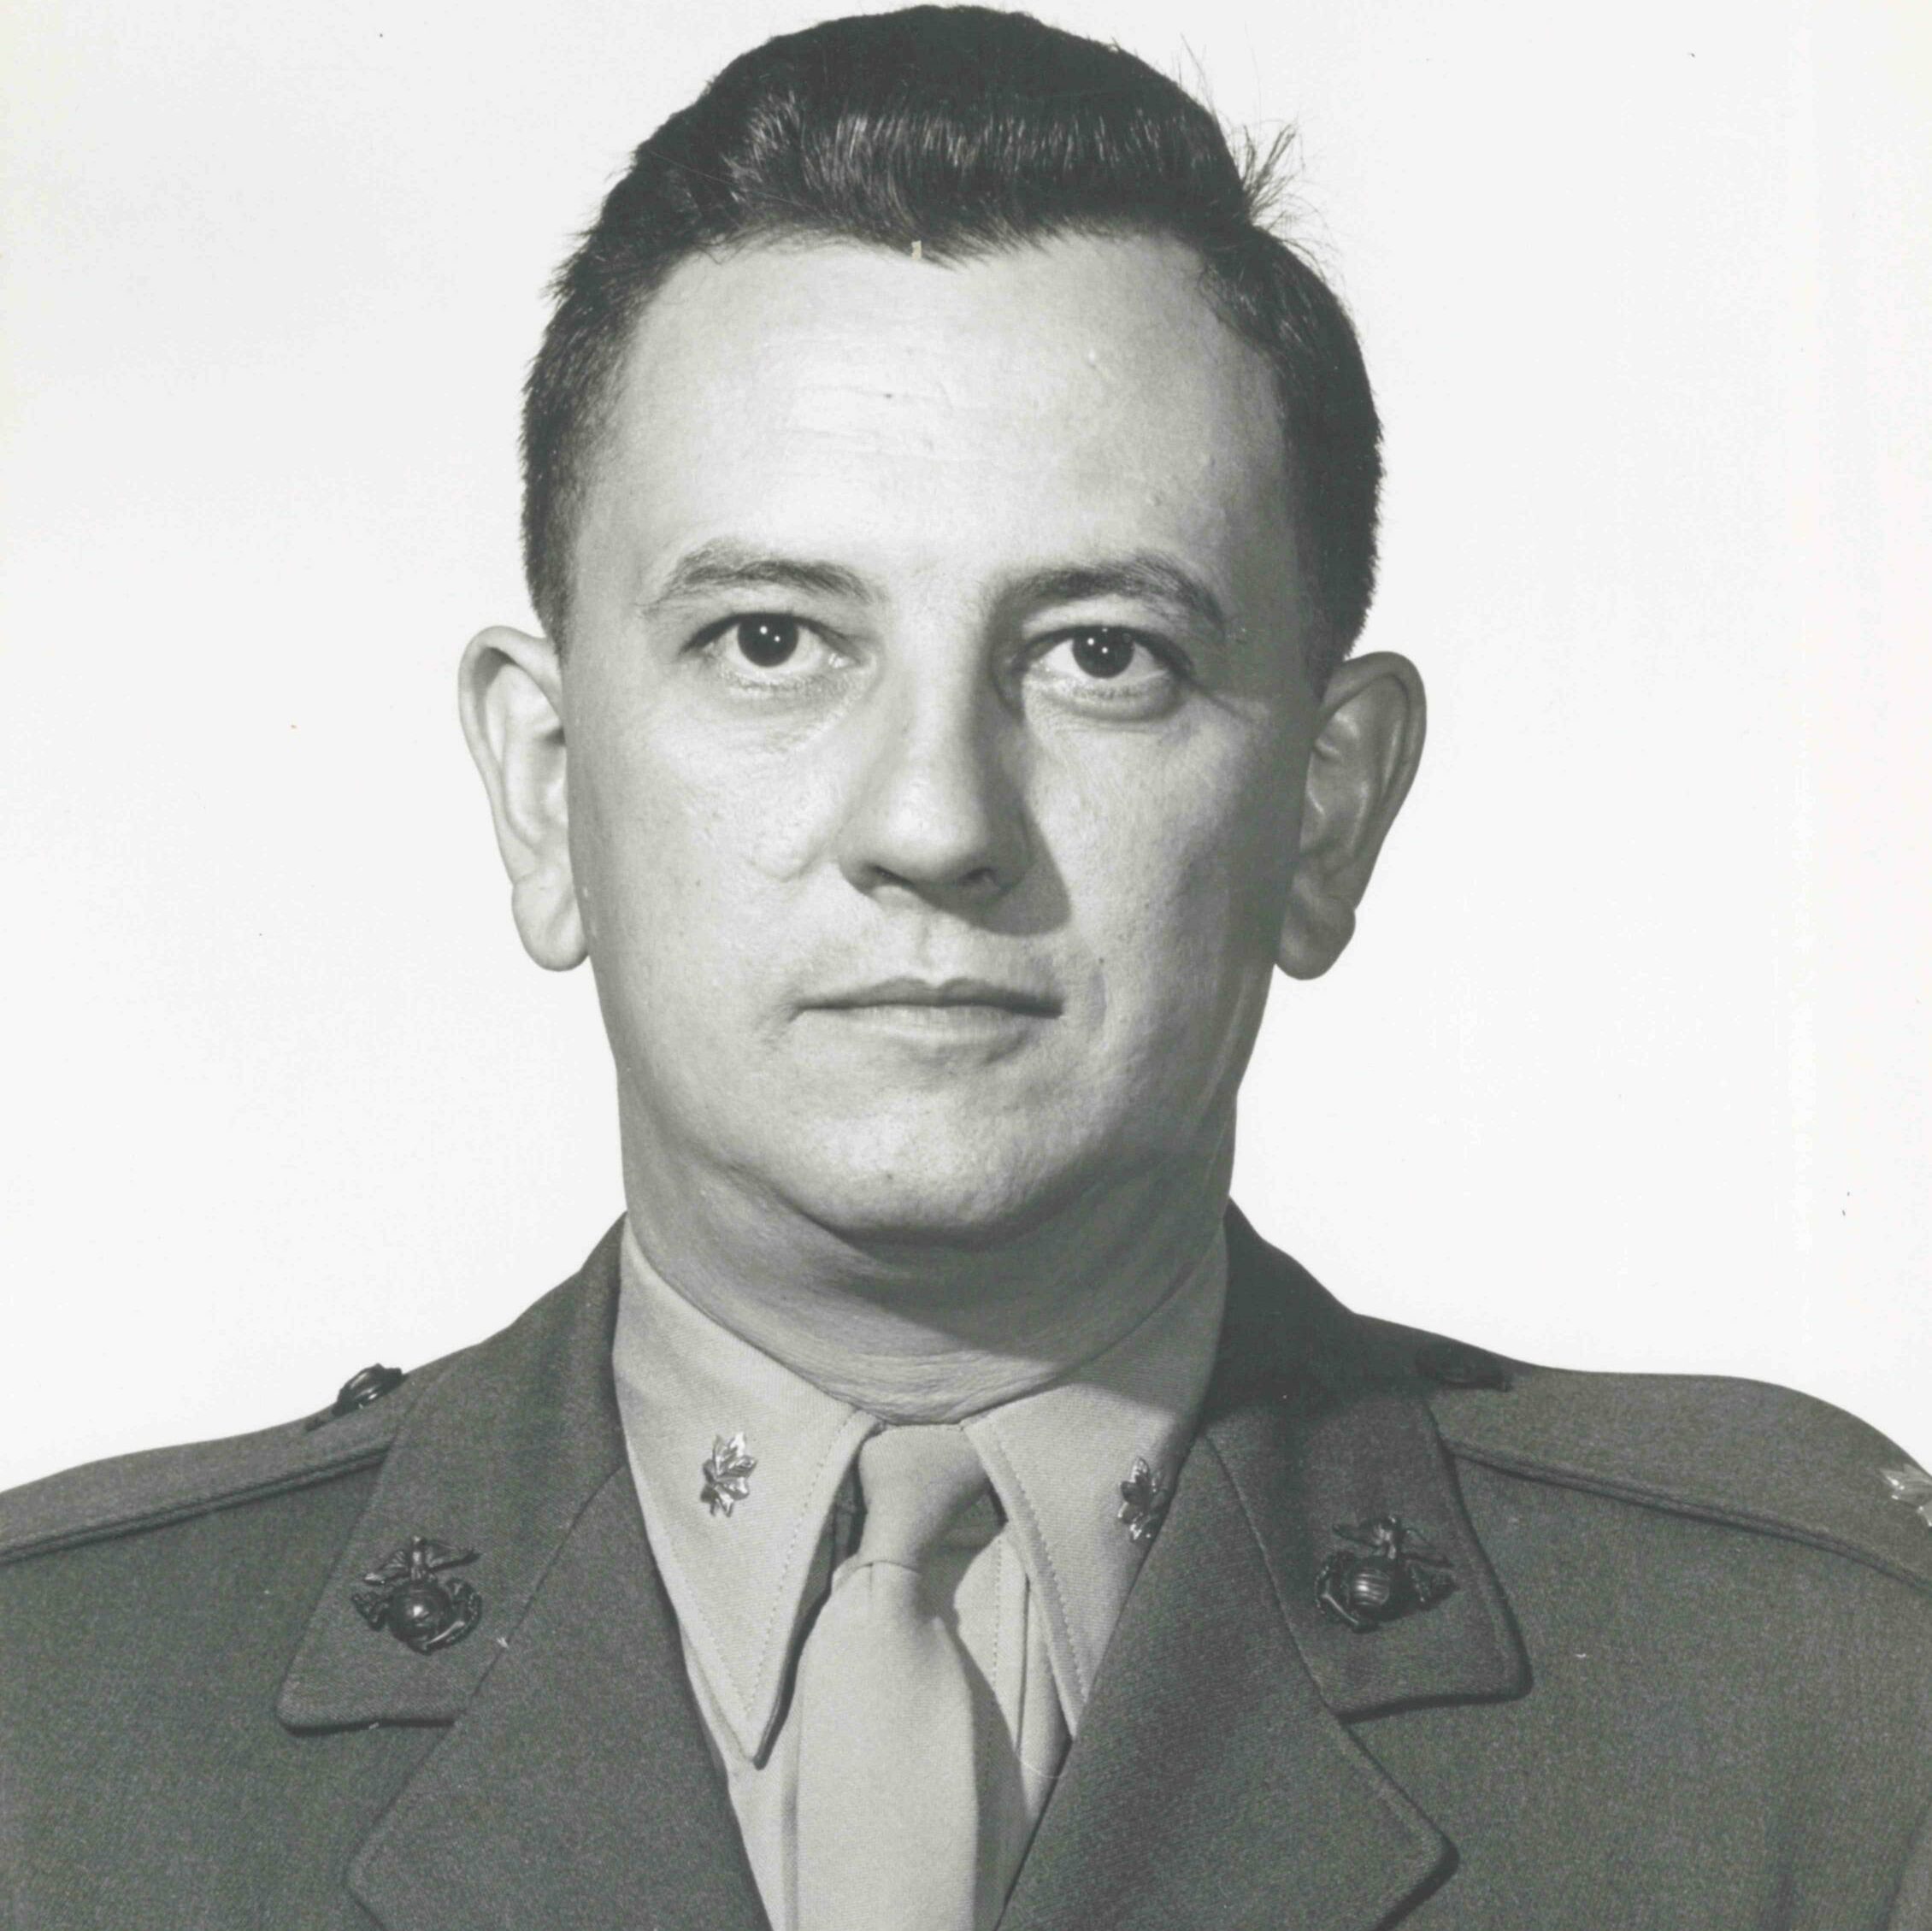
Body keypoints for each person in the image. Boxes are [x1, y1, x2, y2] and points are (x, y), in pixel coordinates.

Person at [2, 8, 1927, 1927]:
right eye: (771, 640)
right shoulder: (56, 1717)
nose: (931, 821)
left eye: (1101, 653)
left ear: (1327, 813)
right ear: (545, 781)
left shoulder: (1816, 1705)